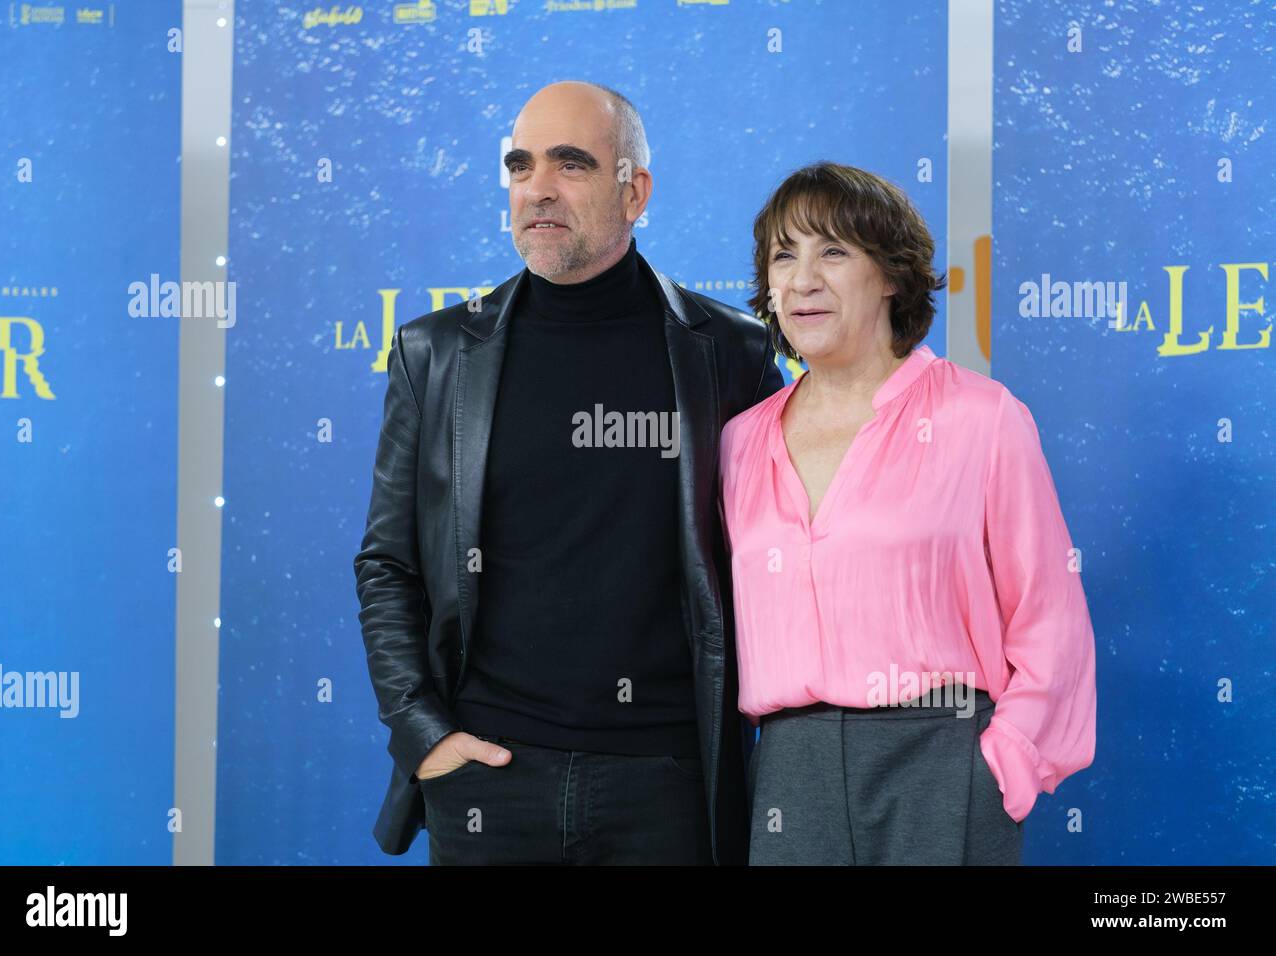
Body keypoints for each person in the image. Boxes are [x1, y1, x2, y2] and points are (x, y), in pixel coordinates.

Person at [353, 80, 782, 865]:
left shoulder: (732, 353)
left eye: (571, 163)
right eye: (520, 166)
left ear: (635, 190)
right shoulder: (436, 354)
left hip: (668, 789)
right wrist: (423, 735)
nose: (538, 187)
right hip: (488, 782)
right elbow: (387, 564)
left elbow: (779, 561)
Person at [719, 162, 1097, 865]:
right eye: (783, 255)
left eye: (832, 250)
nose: (802, 279)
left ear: (890, 274)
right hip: (789, 776)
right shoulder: (741, 442)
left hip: (943, 759)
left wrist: (999, 769)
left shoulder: (981, 418)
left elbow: (1051, 619)